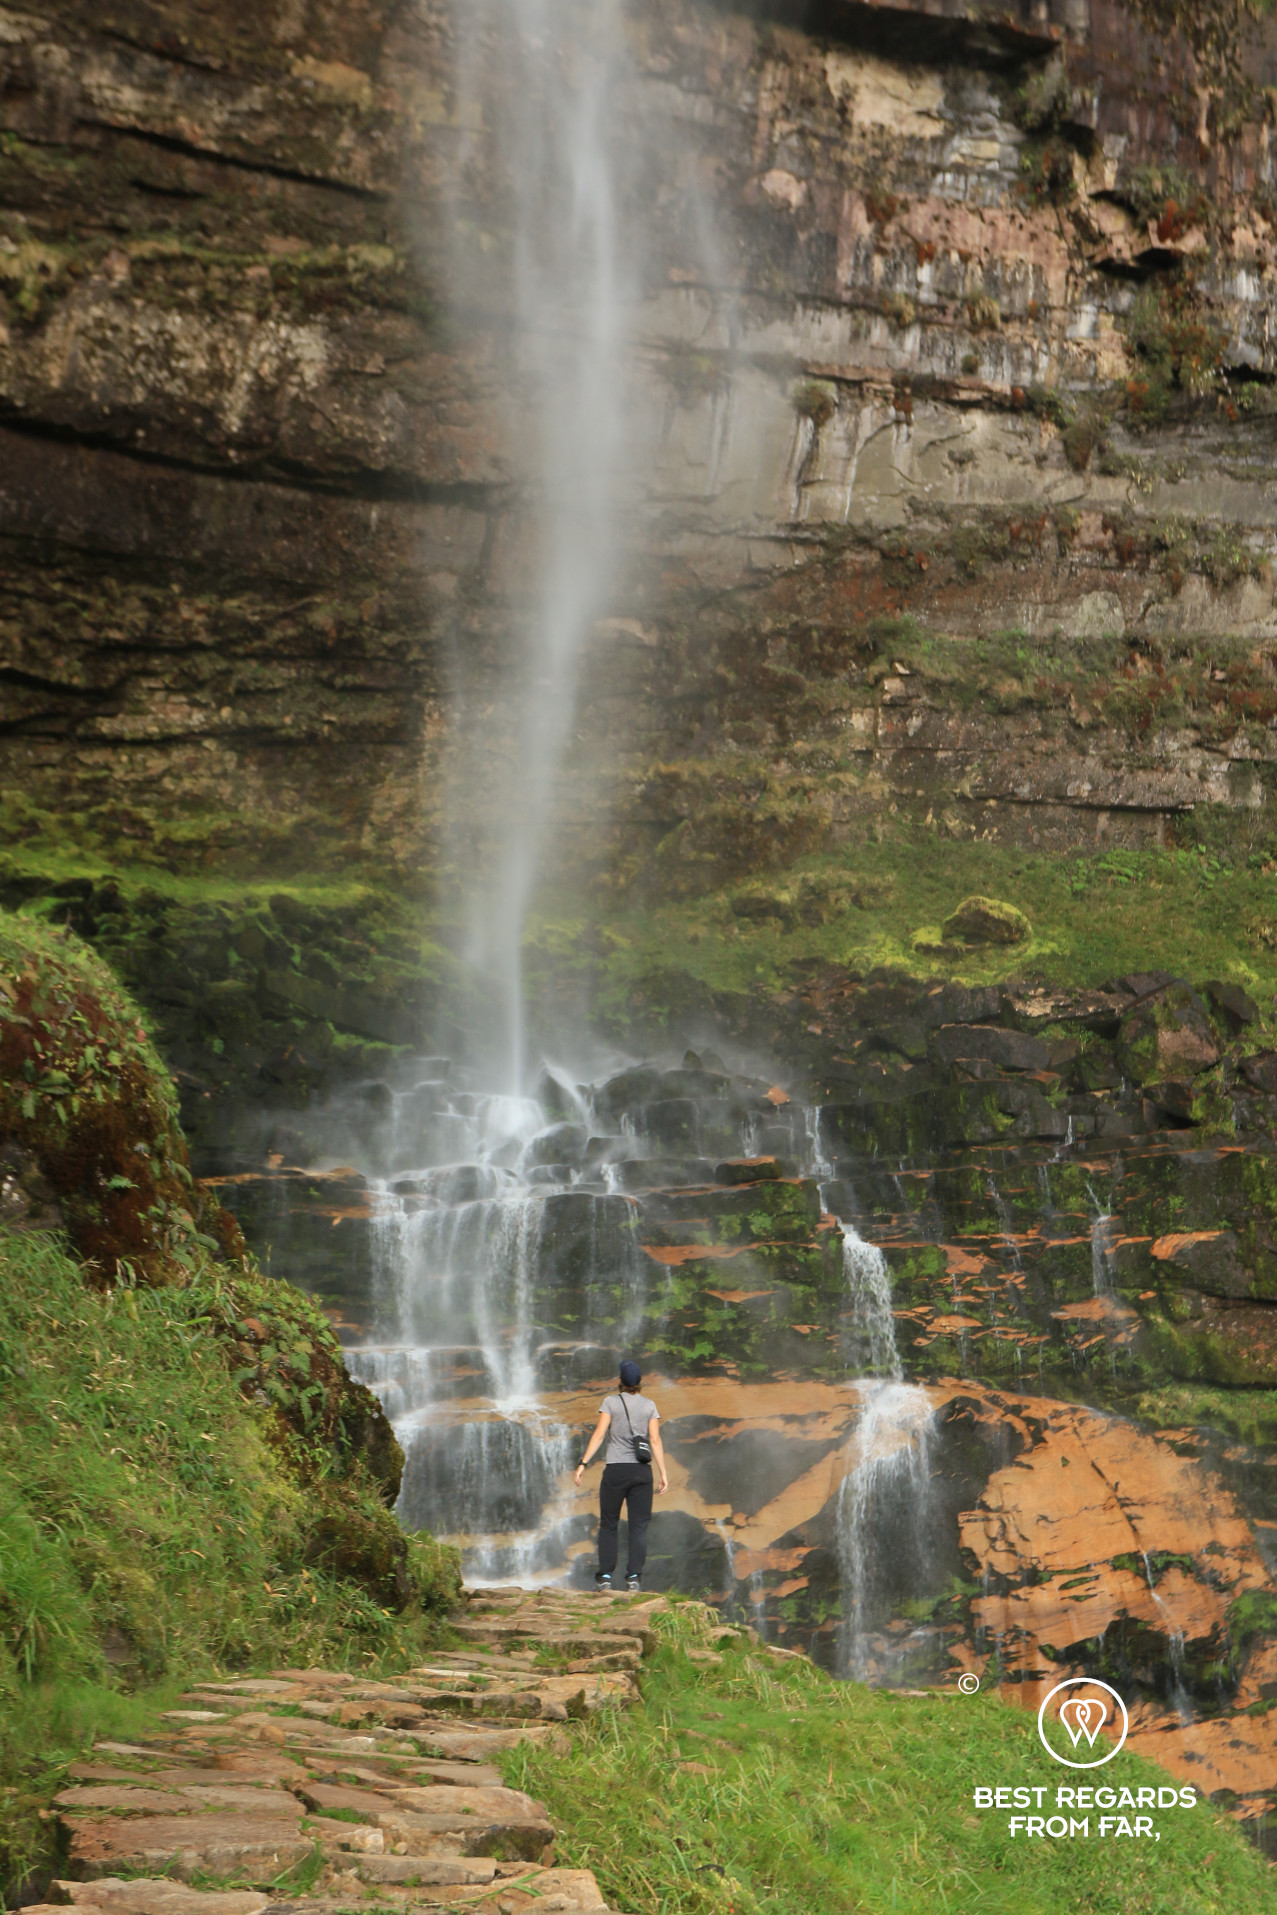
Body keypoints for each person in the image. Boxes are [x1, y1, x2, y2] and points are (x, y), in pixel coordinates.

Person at [574, 1358, 667, 1591]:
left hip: (615, 1470)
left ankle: (605, 1576)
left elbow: (598, 1435)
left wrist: (583, 1463)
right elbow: (654, 1440)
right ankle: (633, 1577)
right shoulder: (649, 1405)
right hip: (641, 1472)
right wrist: (663, 1472)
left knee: (608, 1524)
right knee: (638, 1527)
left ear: (620, 1381)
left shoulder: (610, 1402)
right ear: (640, 1382)